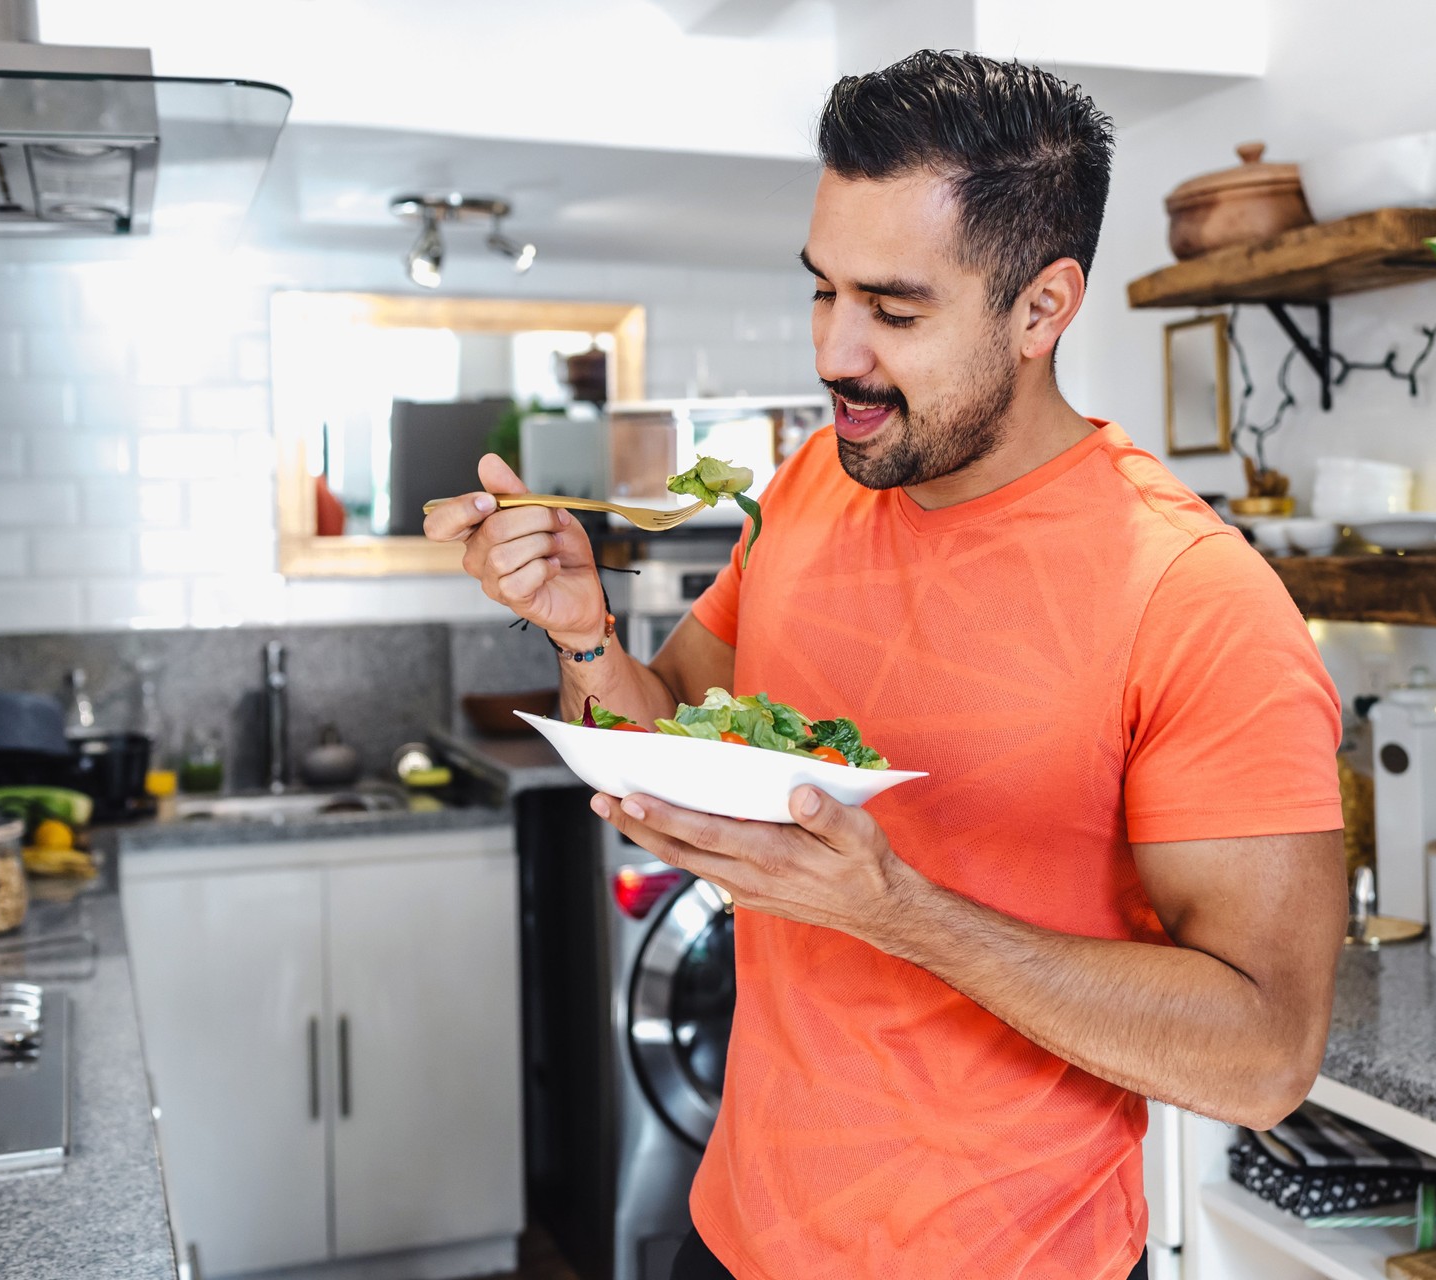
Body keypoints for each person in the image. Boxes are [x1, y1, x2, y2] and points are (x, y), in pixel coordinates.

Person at [426, 49, 1345, 1280]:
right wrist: (581, 626)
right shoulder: (815, 488)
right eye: (823, 290)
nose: (833, 352)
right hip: (737, 1234)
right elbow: (669, 768)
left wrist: (898, 913)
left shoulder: (1195, 598)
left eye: (894, 309)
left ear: (1042, 308)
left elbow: (1266, 1055)